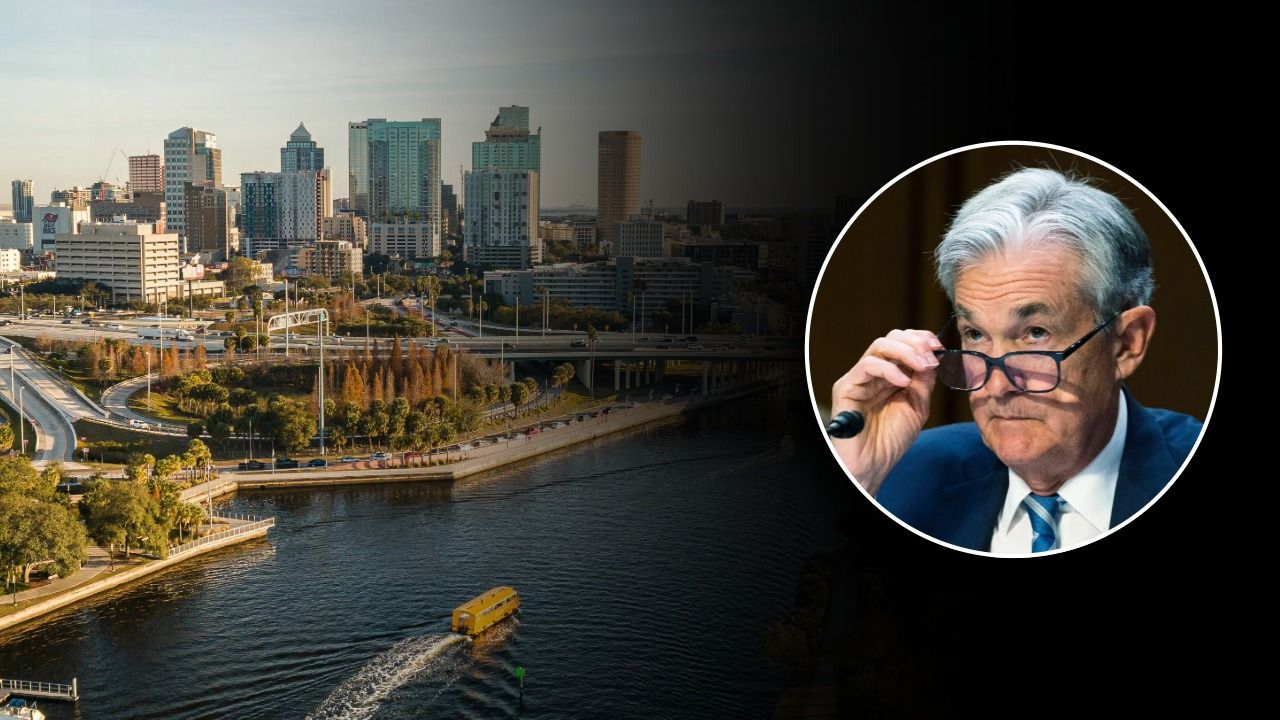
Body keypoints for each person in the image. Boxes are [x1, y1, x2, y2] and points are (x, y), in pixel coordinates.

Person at [830, 168, 1203, 554]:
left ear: (1126, 343)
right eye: (975, 334)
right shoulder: (905, 474)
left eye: (1035, 333)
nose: (996, 386)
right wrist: (858, 478)